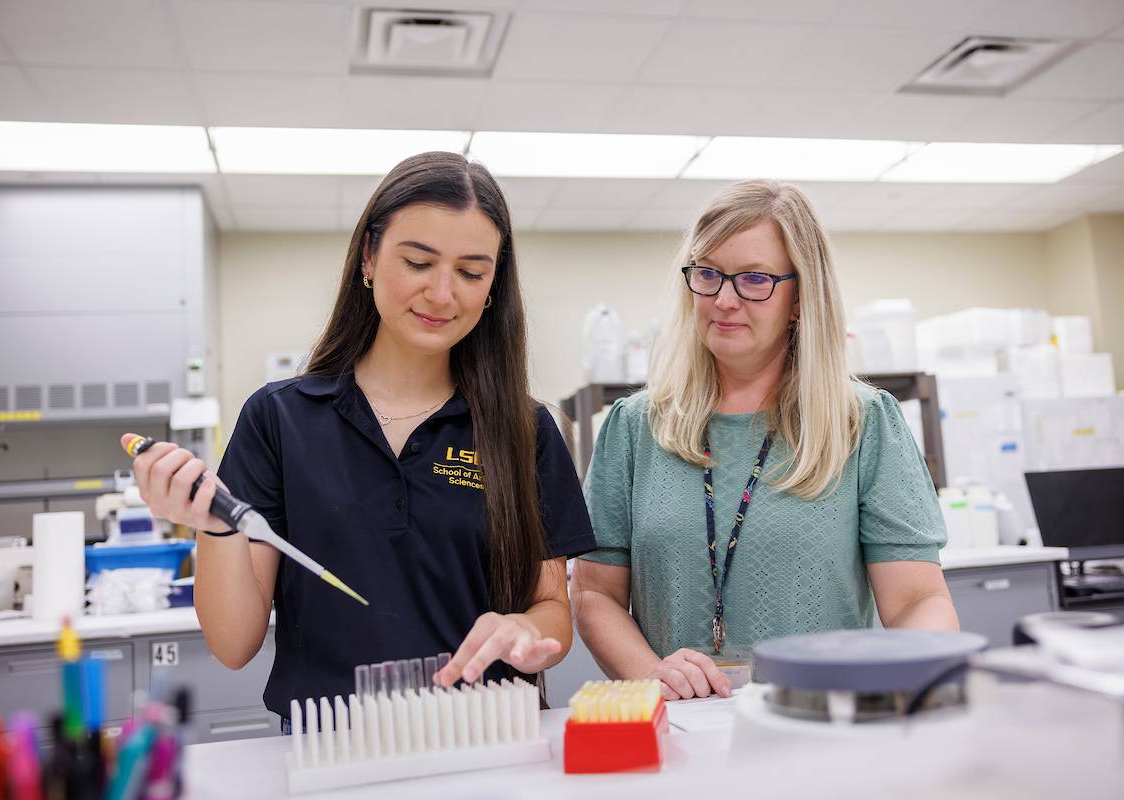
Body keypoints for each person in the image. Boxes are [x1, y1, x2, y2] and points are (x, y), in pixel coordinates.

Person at [123, 152, 595, 721]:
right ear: (369, 256)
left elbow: (552, 611)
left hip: (486, 737)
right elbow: (233, 643)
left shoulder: (525, 430)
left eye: (471, 273)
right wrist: (213, 524)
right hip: (332, 747)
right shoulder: (280, 420)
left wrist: (526, 629)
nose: (442, 293)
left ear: (493, 285)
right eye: (418, 262)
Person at [572, 179, 958, 701]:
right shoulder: (634, 427)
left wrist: (910, 680)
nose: (724, 300)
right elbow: (595, 592)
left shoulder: (861, 423)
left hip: (821, 718)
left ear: (801, 297)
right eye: (708, 274)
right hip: (681, 723)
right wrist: (652, 673)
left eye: (754, 279)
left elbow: (916, 601)